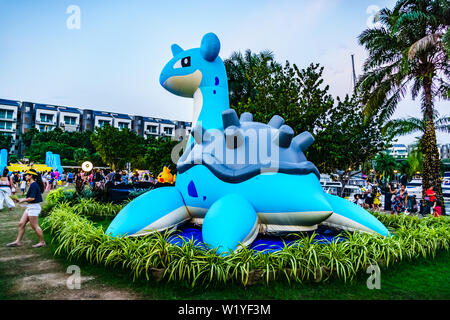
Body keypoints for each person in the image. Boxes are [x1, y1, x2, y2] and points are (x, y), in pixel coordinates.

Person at [6, 169, 45, 248]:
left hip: (34, 207)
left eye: (27, 175)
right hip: (30, 207)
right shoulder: (31, 184)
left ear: (31, 176)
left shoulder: (34, 185)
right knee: (21, 223)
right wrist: (19, 200)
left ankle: (42, 242)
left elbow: (32, 198)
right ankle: (18, 242)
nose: (25, 176)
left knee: (34, 226)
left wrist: (22, 200)